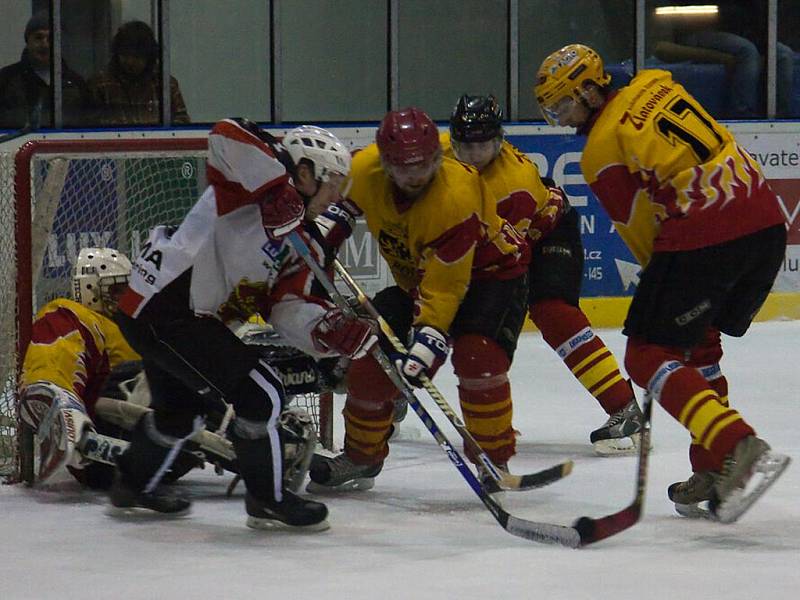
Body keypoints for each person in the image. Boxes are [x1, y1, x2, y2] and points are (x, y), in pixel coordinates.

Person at [534, 44, 791, 521]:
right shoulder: (655, 84)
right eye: (553, 111)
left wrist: (660, 284)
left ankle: (735, 443)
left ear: (591, 89)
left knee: (648, 354)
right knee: (699, 345)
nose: (563, 119)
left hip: (706, 231)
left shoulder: (600, 150)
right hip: (765, 221)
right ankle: (715, 468)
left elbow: (640, 226)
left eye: (566, 104)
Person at [111, 117, 376, 531]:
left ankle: (131, 482)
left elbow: (286, 309)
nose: (335, 198)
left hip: (169, 319)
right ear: (305, 173)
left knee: (179, 415)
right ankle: (267, 499)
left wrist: (327, 331)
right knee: (262, 392)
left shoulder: (299, 243)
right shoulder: (248, 185)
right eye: (333, 184)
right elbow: (225, 132)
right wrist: (279, 188)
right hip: (165, 307)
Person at [306, 106, 530, 491]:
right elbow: (340, 211)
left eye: (424, 165)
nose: (415, 176)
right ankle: (362, 456)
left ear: (438, 157)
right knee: (371, 353)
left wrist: (428, 342)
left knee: (477, 356)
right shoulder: (364, 170)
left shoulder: (456, 196)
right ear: (386, 163)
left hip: (492, 276)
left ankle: (493, 461)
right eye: (403, 167)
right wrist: (320, 236)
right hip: (423, 281)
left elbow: (445, 289)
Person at [444, 94, 643, 456]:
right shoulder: (436, 157)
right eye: (466, 146)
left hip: (545, 231)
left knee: (553, 313)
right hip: (494, 239)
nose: (474, 155)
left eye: (484, 145)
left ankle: (623, 407)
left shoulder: (513, 185)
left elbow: (507, 260)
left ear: (499, 141)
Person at [18, 248, 142, 488]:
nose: (123, 298)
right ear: (89, 289)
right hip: (107, 437)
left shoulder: (135, 326)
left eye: (127, 290)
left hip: (161, 438)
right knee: (62, 316)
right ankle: (55, 401)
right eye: (116, 290)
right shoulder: (85, 317)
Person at [88, 20, 189, 126]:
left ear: (149, 57)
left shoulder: (165, 85)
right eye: (125, 54)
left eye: (137, 56)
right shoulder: (100, 85)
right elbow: (89, 127)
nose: (130, 62)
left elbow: (182, 122)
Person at [0, 11, 90, 129]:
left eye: (51, 38)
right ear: (28, 42)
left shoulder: (75, 82)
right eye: (38, 37)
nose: (45, 44)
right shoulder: (6, 79)